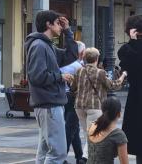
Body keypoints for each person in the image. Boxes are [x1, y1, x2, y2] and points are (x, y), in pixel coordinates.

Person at [25, 10, 78, 164]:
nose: (60, 26)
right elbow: (36, 76)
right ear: (48, 24)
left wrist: (68, 31)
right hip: (49, 104)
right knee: (58, 153)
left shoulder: (48, 46)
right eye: (57, 23)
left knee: (44, 152)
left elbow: (71, 56)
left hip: (49, 103)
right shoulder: (39, 46)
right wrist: (59, 76)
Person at [71, 47, 127, 158]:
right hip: (94, 106)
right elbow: (112, 85)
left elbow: (73, 88)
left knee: (86, 132)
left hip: (79, 106)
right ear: (97, 58)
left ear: (85, 58)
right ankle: (85, 157)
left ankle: (86, 155)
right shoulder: (100, 72)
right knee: (93, 133)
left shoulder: (79, 71)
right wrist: (123, 76)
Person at [118, 14, 142, 164]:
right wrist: (133, 42)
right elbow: (129, 61)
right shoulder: (129, 49)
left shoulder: (131, 48)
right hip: (137, 99)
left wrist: (133, 42)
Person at [60, 41, 87, 164]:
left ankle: (79, 156)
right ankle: (62, 157)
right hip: (74, 98)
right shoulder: (77, 67)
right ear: (81, 53)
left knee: (73, 127)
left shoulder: (62, 63)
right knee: (70, 128)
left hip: (63, 97)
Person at [87, 96, 129, 164]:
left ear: (102, 110)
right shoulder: (118, 134)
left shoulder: (92, 126)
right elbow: (124, 162)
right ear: (119, 114)